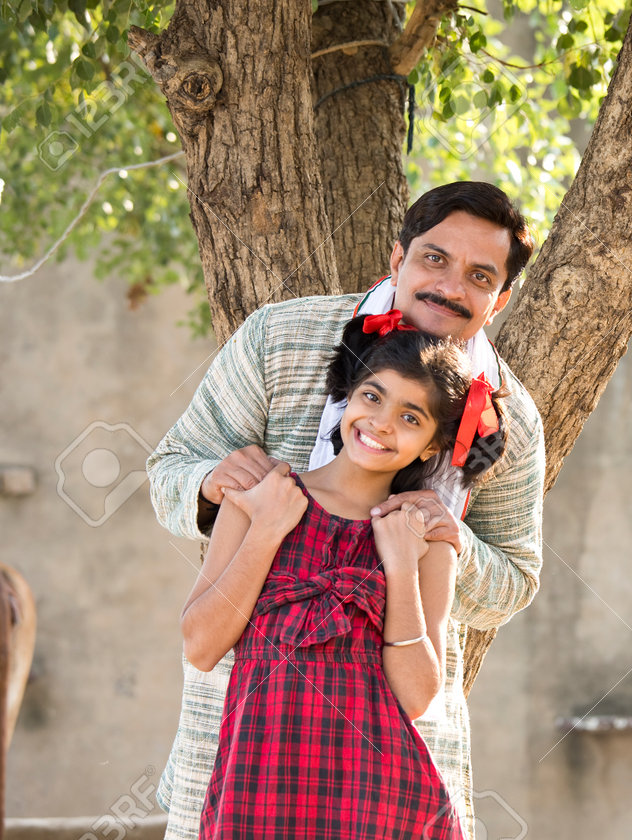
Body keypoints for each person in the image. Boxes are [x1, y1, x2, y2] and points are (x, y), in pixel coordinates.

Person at [147, 182, 545, 840]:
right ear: (398, 259)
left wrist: (447, 541)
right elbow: (170, 467)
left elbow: (516, 579)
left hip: (393, 761)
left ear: (500, 299)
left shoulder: (510, 421)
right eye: (434, 259)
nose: (449, 286)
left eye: (479, 276)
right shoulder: (281, 338)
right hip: (247, 742)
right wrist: (216, 483)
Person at [186, 313, 503, 839]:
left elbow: (419, 696)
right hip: (256, 788)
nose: (380, 423)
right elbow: (200, 646)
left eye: (410, 417)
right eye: (372, 397)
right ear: (348, 399)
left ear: (429, 446)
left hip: (380, 799)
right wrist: (267, 530)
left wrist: (399, 565)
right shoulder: (260, 498)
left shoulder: (426, 539)